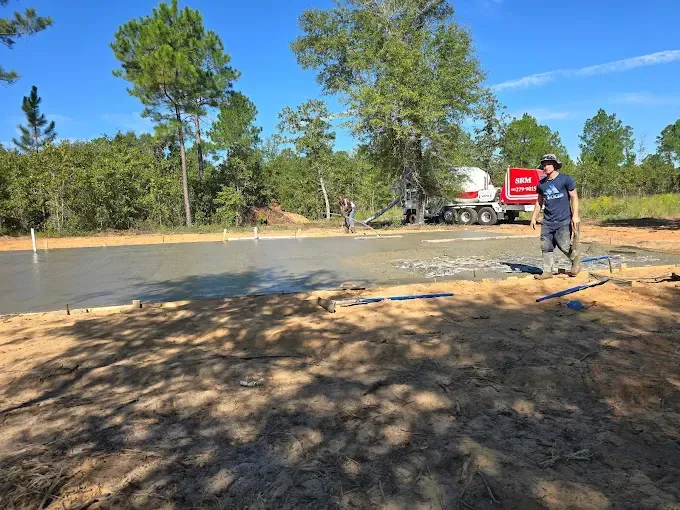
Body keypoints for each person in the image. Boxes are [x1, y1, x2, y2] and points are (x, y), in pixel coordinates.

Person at [530, 154, 581, 279]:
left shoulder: (565, 179)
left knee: (564, 245)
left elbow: (574, 196)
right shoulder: (541, 184)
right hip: (547, 221)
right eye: (544, 164)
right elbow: (539, 202)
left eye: (548, 164)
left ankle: (576, 260)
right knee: (546, 246)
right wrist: (533, 218)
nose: (546, 167)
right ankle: (547, 271)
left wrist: (575, 216)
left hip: (563, 219)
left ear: (555, 165)